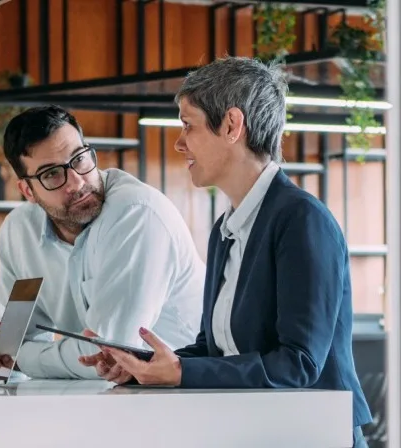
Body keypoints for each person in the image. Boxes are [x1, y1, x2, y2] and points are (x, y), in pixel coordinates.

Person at [97, 56, 371, 447]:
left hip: (314, 433)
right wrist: (143, 365)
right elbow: (216, 348)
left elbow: (299, 363)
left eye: (188, 125)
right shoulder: (225, 229)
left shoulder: (301, 219)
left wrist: (181, 373)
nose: (178, 142)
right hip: (255, 428)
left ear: (231, 125)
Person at [0, 105, 206, 382]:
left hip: (191, 393)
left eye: (79, 159)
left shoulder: (136, 215)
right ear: (27, 190)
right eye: (51, 174)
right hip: (106, 397)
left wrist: (13, 356)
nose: (76, 182)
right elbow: (12, 337)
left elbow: (106, 353)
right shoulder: (20, 233)